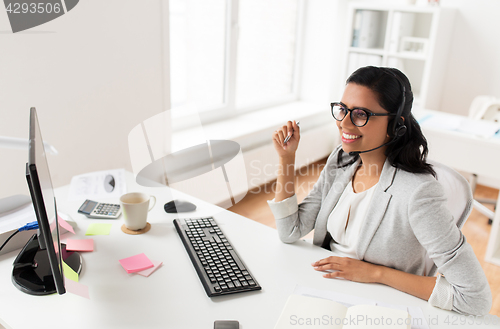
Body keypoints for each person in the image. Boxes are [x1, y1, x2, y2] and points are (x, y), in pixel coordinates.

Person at [268, 66, 492, 316]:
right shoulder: (341, 161)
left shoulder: (419, 192)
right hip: (322, 292)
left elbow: (475, 298)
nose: (344, 123)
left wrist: (375, 273)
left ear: (395, 124)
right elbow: (290, 230)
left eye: (360, 114)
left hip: (381, 309)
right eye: (342, 110)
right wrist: (286, 159)